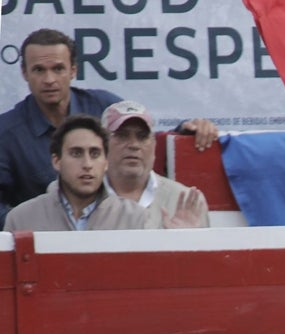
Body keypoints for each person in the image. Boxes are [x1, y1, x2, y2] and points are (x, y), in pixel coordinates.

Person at [0, 29, 219, 227]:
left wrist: (186, 131)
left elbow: (139, 134)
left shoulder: (103, 105)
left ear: (73, 70)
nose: (49, 79)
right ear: (24, 73)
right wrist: (27, 225)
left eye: (58, 68)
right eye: (39, 70)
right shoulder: (5, 133)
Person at [4, 114, 205, 232]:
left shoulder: (135, 218)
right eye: (76, 153)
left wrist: (180, 243)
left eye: (95, 154)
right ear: (56, 160)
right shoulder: (21, 218)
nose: (87, 164)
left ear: (106, 161)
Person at [102, 101, 210, 229]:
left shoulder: (187, 202)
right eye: (122, 136)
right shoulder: (83, 199)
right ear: (102, 144)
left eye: (142, 136)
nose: (134, 145)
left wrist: (185, 240)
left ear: (154, 144)